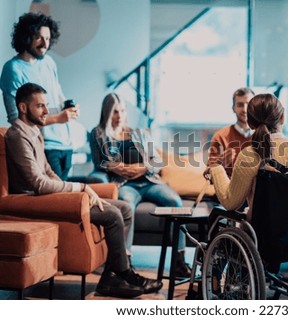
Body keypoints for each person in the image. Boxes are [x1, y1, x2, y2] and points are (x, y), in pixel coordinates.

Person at [5, 83, 162, 298]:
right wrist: (80, 188)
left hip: (45, 196)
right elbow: (37, 183)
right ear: (23, 108)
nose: (46, 111)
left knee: (124, 209)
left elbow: (49, 173)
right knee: (113, 214)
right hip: (30, 200)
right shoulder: (17, 135)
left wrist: (71, 194)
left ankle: (111, 278)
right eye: (40, 106)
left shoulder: (34, 132)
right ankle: (124, 274)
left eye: (46, 105)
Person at [89, 92, 191, 278]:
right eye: (114, 112)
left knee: (175, 202)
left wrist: (142, 168)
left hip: (149, 181)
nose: (119, 116)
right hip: (125, 184)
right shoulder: (99, 133)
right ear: (106, 113)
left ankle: (179, 260)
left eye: (122, 111)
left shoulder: (139, 133)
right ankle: (125, 262)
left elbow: (157, 160)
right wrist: (122, 168)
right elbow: (100, 161)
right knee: (126, 206)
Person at [208, 93, 288, 221]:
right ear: (282, 117)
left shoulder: (249, 155)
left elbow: (230, 203)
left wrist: (216, 168)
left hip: (263, 233)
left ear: (250, 123)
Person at [0, 12, 78, 180]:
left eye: (48, 39)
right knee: (58, 200)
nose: (45, 44)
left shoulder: (49, 63)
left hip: (65, 144)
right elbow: (17, 120)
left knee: (64, 199)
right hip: (43, 146)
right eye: (39, 38)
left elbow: (58, 95)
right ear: (26, 37)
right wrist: (57, 118)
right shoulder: (12, 69)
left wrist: (69, 107)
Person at [205, 87, 255, 178]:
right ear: (233, 108)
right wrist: (220, 164)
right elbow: (208, 175)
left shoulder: (263, 136)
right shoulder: (220, 136)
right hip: (228, 190)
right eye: (240, 105)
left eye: (248, 104)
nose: (244, 109)